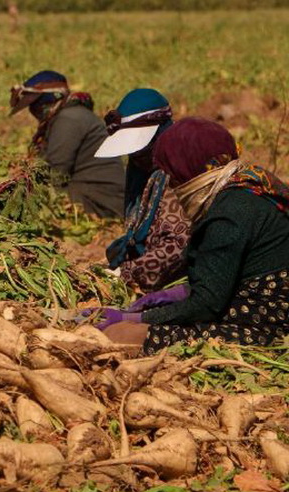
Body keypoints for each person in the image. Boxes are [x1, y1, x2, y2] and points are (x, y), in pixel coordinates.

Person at [90, 117, 289, 354]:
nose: (173, 185)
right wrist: (175, 294)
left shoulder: (229, 214)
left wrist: (139, 318)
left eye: (173, 176)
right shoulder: (249, 183)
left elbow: (207, 305)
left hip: (261, 324)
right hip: (256, 306)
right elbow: (221, 274)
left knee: (120, 335)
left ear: (190, 169)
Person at [96, 88, 191, 292]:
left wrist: (129, 272)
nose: (137, 158)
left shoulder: (180, 174)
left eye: (142, 151)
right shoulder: (139, 169)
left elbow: (180, 246)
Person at [10, 70, 125, 218]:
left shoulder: (69, 119)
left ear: (50, 99)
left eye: (36, 105)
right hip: (90, 191)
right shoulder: (68, 115)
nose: (34, 111)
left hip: (101, 200)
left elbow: (56, 174)